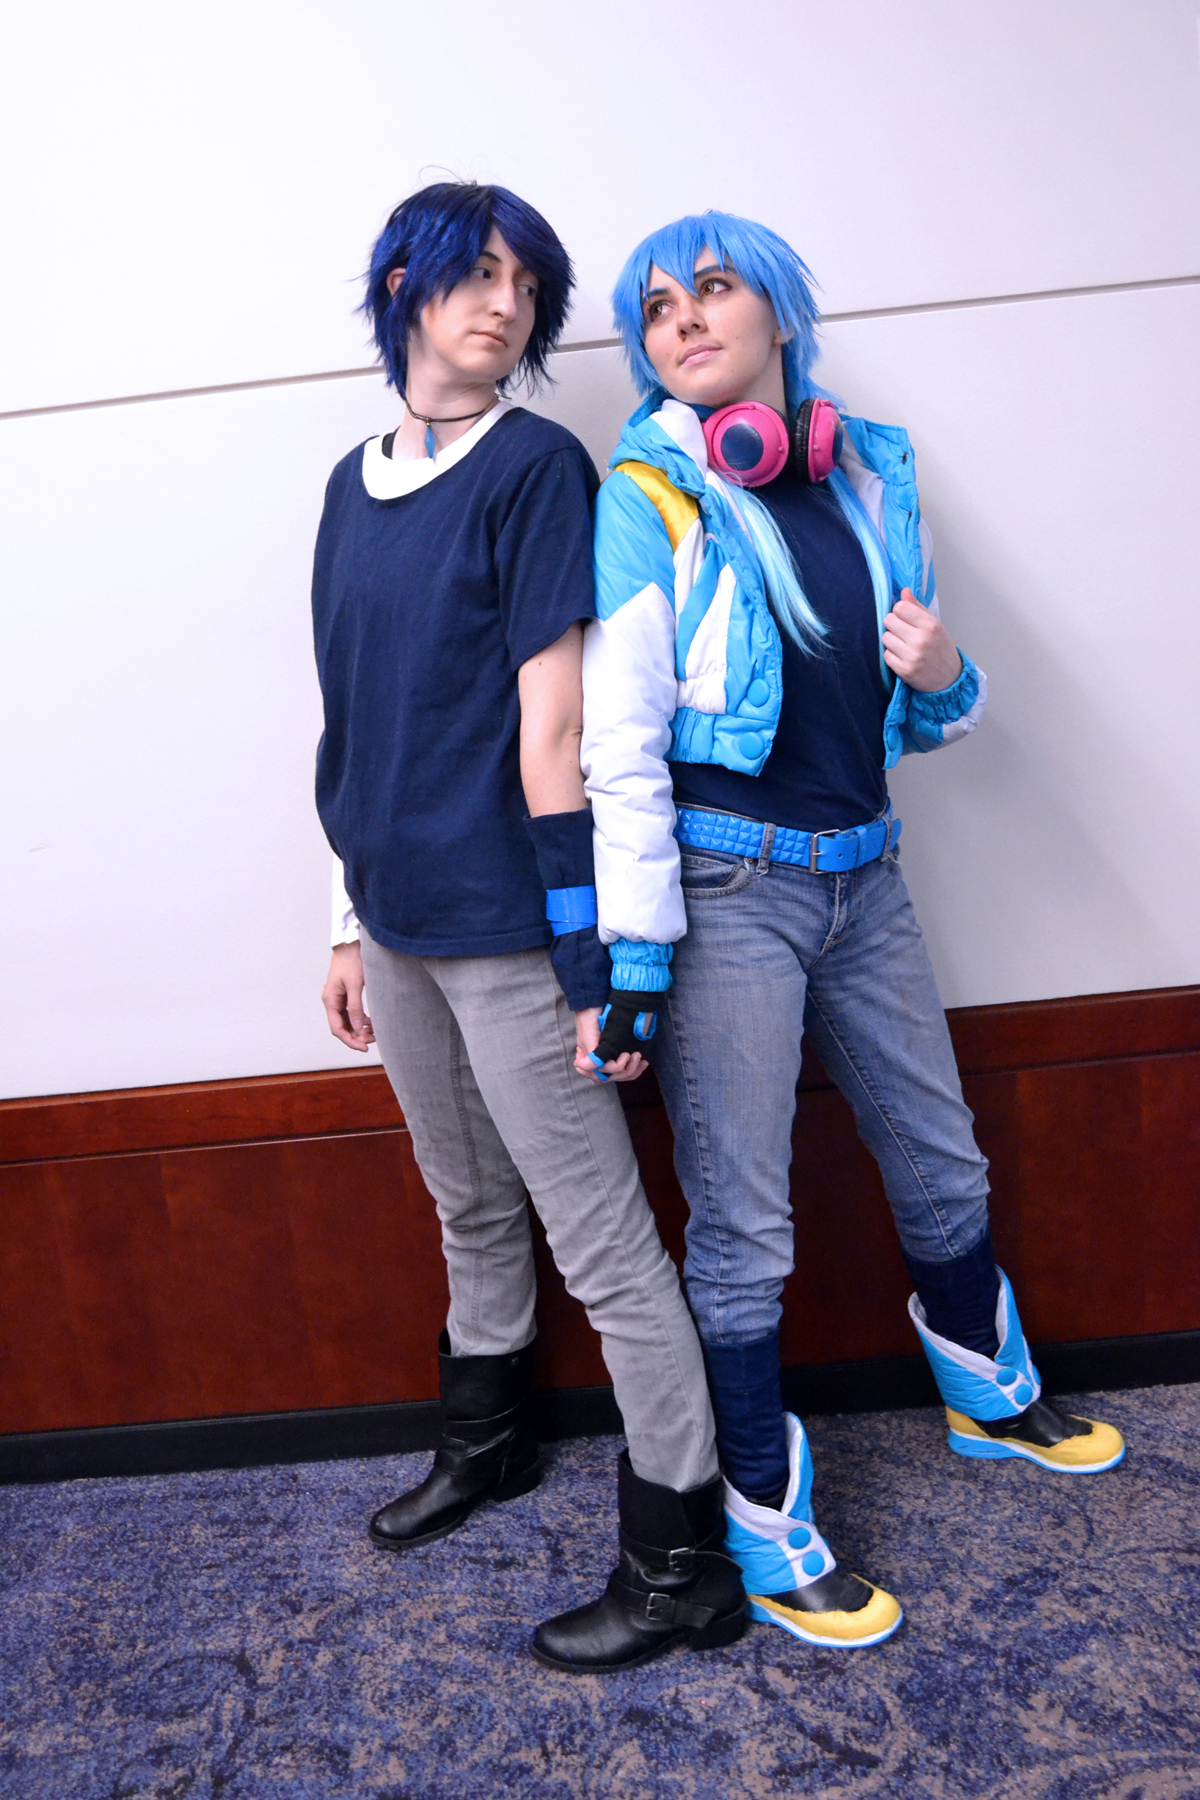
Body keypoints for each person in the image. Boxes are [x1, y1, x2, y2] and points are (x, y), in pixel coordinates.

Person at [579, 210, 1125, 1650]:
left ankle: (991, 1397)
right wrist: (636, 956)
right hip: (728, 891)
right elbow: (617, 748)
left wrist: (949, 670)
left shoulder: (870, 471)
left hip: (867, 874)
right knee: (744, 1223)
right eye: (656, 309)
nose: (685, 321)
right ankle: (766, 1524)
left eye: (712, 289)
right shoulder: (646, 496)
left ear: (778, 311)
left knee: (940, 1152)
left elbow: (928, 711)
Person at [311, 182, 745, 1674]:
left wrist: (588, 961)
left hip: (508, 926)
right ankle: (488, 1444)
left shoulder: (537, 467)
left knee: (606, 1243)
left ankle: (685, 1562)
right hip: (398, 924)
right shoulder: (347, 486)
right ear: (403, 287)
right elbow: (352, 717)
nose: (504, 304)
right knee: (467, 1201)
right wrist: (346, 920)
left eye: (526, 286)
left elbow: (554, 731)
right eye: (476, 275)